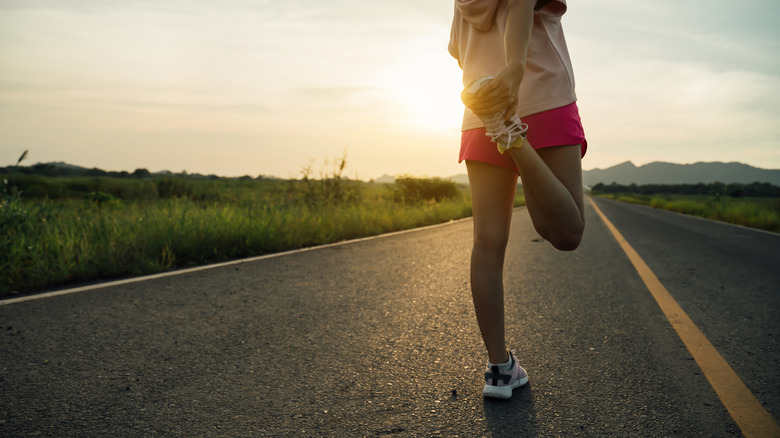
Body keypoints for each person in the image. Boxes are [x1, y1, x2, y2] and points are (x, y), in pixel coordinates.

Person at [449, 0, 586, 399]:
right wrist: (514, 69)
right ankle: (513, 137)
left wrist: (491, 81)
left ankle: (499, 370)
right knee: (567, 231)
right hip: (546, 96)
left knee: (487, 243)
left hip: (481, 110)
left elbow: (457, 50)